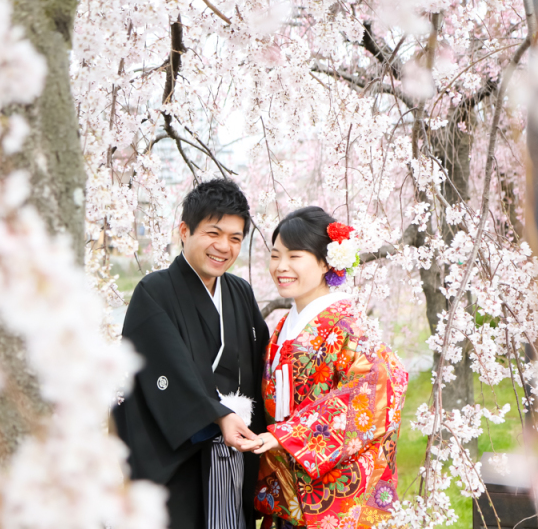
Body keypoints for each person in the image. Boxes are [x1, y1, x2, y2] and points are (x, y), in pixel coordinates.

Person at [113, 179, 270, 529]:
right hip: (180, 458)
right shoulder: (154, 292)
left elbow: (262, 364)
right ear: (184, 231)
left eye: (235, 238)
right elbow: (163, 368)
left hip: (235, 452)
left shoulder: (241, 292)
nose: (224, 247)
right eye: (213, 233)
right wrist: (218, 416)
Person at [242, 206, 408, 529]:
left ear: (325, 263)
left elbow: (383, 386)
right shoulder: (284, 327)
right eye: (275, 256)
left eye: (294, 256)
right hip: (288, 494)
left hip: (325, 491)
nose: (281, 266)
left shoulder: (349, 327)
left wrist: (291, 435)